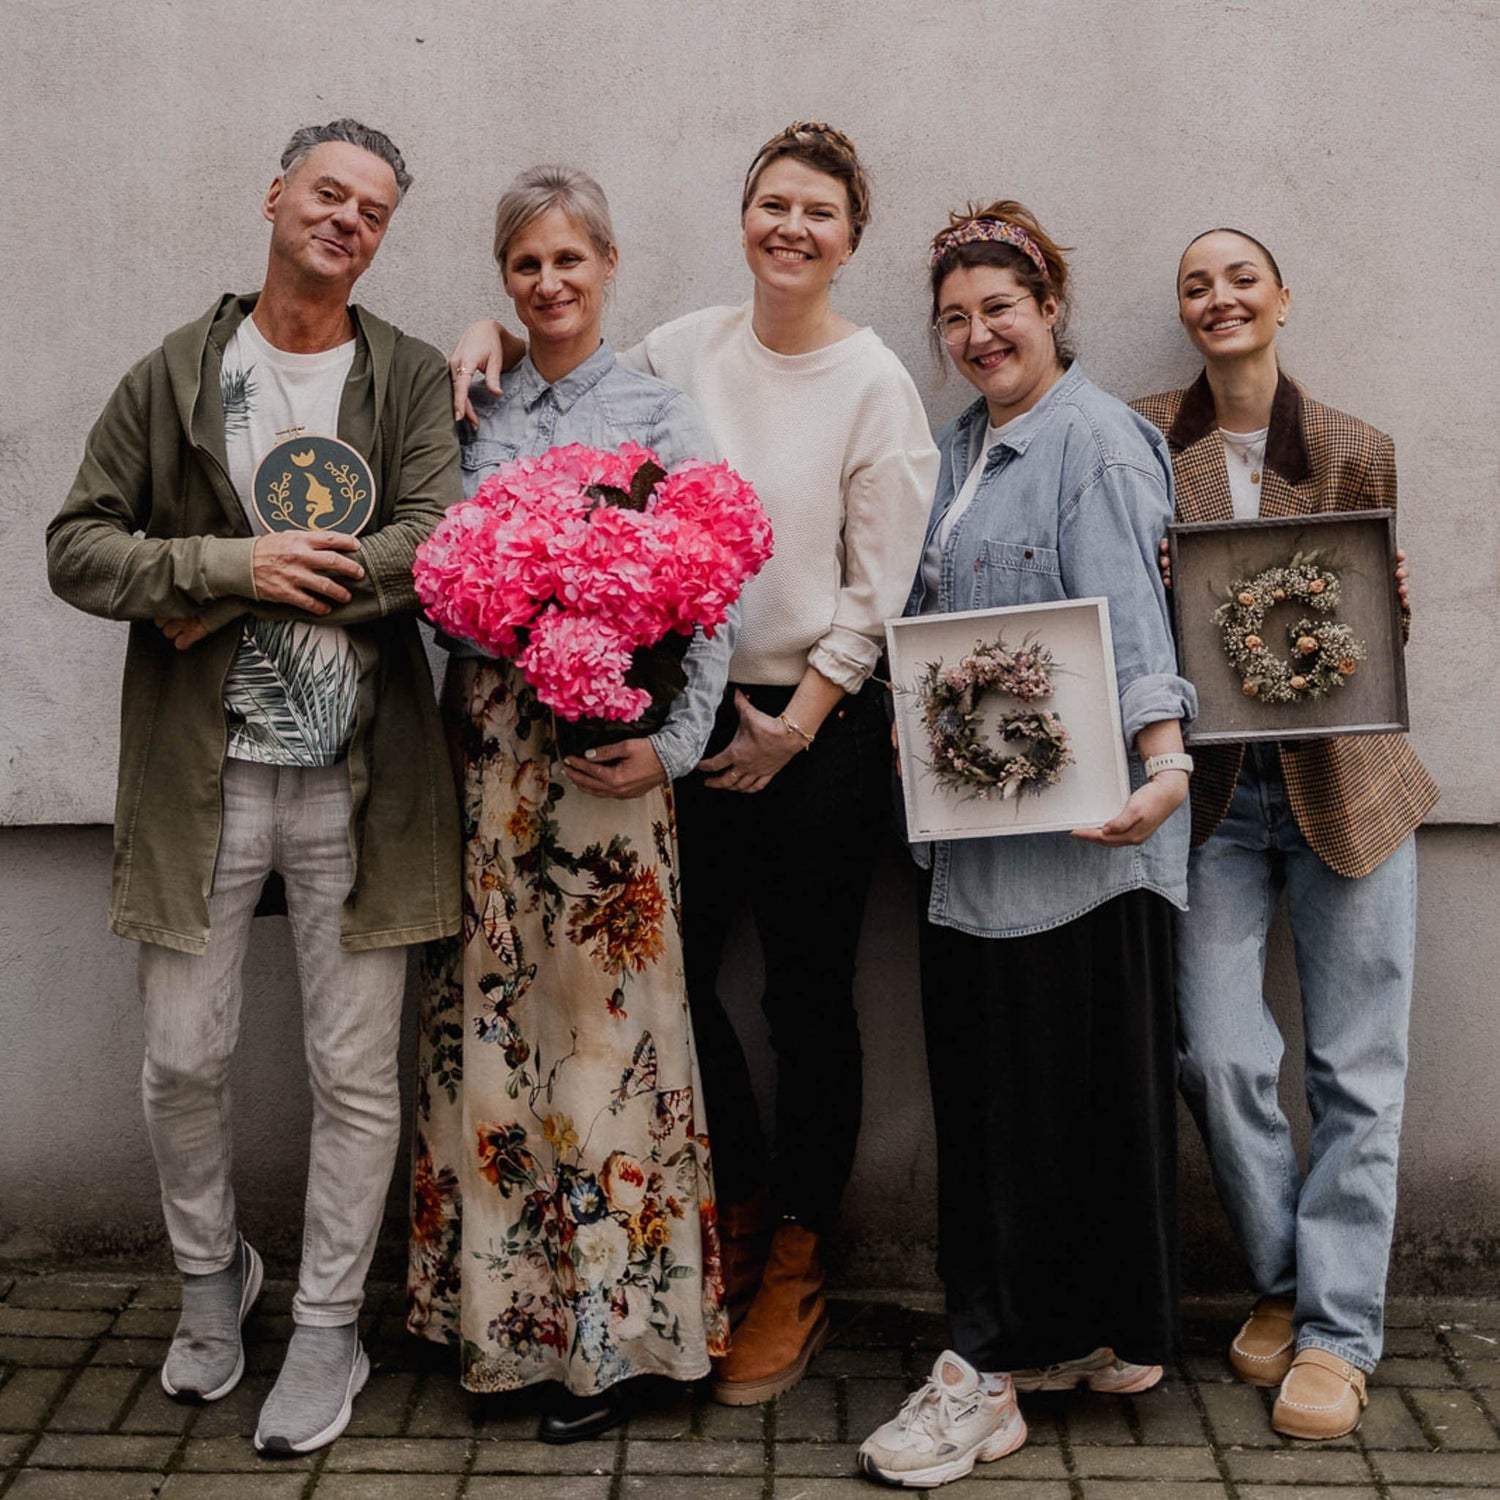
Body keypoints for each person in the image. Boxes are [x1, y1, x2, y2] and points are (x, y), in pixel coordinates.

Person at [449, 122, 937, 1405]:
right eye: (772, 204)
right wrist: (484, 337)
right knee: (670, 983)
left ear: (850, 235)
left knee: (811, 999)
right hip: (691, 715)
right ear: (743, 220)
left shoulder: (875, 379)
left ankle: (798, 1261)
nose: (791, 227)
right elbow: (559, 353)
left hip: (814, 724)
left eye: (818, 212)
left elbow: (881, 582)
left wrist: (805, 716)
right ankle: (741, 1196)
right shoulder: (686, 349)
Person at [46, 119, 461, 1456]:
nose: (346, 218)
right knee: (182, 1060)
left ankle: (330, 1325)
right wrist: (229, 572)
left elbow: (436, 540)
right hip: (202, 782)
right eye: (328, 192)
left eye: (374, 209)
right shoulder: (178, 375)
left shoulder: (402, 376)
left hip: (362, 783)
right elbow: (78, 547)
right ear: (276, 195)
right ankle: (215, 1277)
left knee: (353, 1073)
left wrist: (309, 571)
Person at [857, 202, 1196, 1489]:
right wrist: (909, 713)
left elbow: (1135, 623)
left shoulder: (1094, 443)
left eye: (1001, 306)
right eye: (954, 316)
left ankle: (986, 1375)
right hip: (976, 850)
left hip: (1081, 855)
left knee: (1029, 1118)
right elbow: (939, 624)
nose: (977, 331)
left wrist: (1166, 767)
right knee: (1033, 1110)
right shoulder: (960, 447)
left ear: (1052, 307)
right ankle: (1085, 1336)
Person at [406, 165, 734, 1444]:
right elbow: (431, 568)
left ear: (609, 267)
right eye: (527, 265)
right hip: (488, 758)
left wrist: (677, 741)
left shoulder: (659, 410)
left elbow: (713, 585)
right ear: (506, 278)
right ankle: (505, 1325)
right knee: (491, 1027)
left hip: (609, 766)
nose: (550, 284)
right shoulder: (469, 412)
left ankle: (626, 1340)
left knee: (610, 1036)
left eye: (572, 262)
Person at [1132, 229, 1438, 1440]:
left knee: (1356, 1073)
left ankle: (1336, 1336)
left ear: (1281, 299)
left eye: (1240, 278)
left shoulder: (1356, 446)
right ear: (1185, 314)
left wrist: (1386, 607)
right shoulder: (1149, 436)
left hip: (1345, 786)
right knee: (1216, 1054)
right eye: (1196, 284)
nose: (1220, 297)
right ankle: (1286, 1280)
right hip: (1209, 798)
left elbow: (1364, 643)